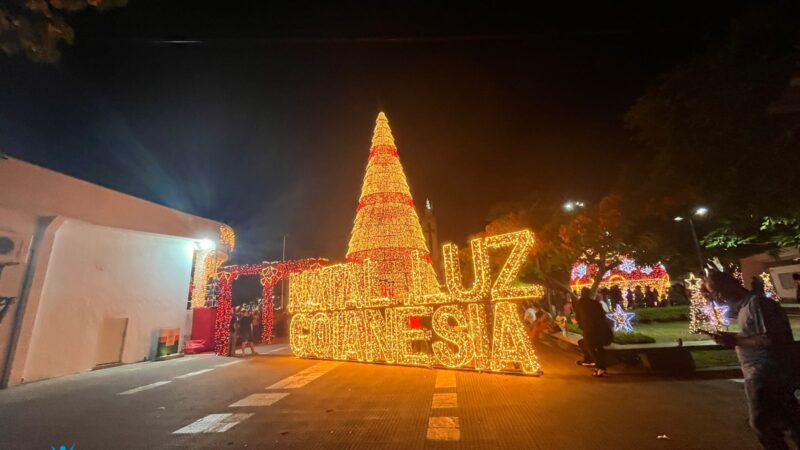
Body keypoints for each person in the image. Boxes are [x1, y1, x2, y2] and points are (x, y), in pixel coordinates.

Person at [706, 271, 800, 449]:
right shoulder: (746, 307)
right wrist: (734, 337)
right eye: (712, 292)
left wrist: (734, 340)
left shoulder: (757, 304)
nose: (717, 296)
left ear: (730, 284)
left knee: (762, 424)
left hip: (766, 373)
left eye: (716, 290)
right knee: (789, 420)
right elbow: (755, 336)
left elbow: (770, 339)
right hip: (766, 373)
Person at [576, 288, 613, 377]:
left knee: (590, 347)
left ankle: (599, 367)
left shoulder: (580, 303)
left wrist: (582, 326)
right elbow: (602, 315)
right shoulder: (595, 303)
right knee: (599, 348)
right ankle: (600, 368)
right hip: (599, 329)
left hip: (589, 329)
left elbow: (578, 316)